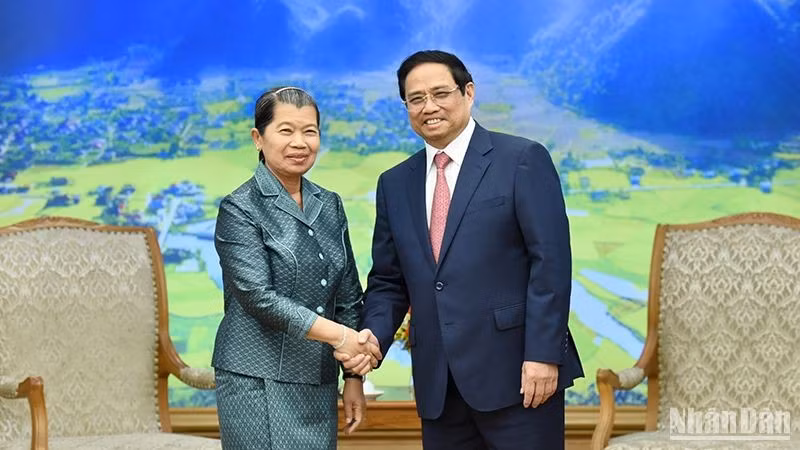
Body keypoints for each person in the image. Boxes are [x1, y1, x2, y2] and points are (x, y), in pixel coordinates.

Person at [342, 50, 584, 449]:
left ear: (468, 92)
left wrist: (543, 355)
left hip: (520, 378)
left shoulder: (521, 159)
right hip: (440, 387)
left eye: (440, 93)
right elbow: (389, 280)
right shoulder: (395, 183)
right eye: (415, 98)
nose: (429, 106)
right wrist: (372, 339)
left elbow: (551, 264)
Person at [212, 86, 382, 450]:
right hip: (255, 379)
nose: (300, 142)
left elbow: (348, 295)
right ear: (259, 138)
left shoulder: (330, 204)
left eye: (310, 131)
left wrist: (353, 377)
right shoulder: (239, 208)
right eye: (285, 130)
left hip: (317, 378)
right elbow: (259, 297)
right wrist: (341, 337)